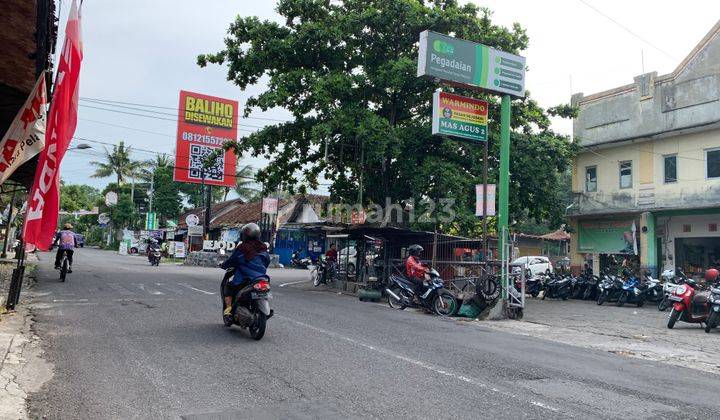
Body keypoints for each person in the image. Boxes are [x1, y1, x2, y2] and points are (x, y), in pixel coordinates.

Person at [220, 223, 270, 317]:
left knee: (228, 287)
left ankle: (228, 310)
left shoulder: (243, 247)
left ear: (244, 235)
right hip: (262, 277)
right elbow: (267, 261)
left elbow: (233, 260)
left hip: (245, 278)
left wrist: (223, 265)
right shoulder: (263, 248)